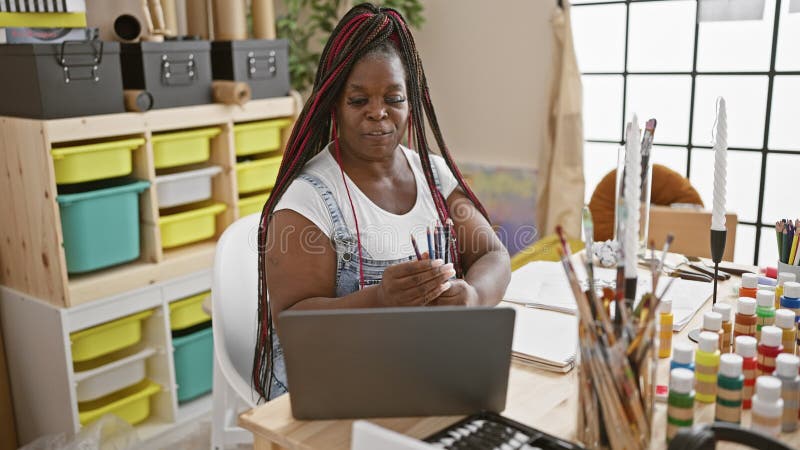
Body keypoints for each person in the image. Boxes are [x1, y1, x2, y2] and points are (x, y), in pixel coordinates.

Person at [254, 2, 511, 401]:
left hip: (415, 370)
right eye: (358, 101)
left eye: (393, 98)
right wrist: (379, 299)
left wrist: (474, 296)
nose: (378, 113)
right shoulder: (307, 200)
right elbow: (292, 326)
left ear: (412, 102)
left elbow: (493, 255)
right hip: (325, 387)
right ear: (334, 105)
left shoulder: (434, 175)